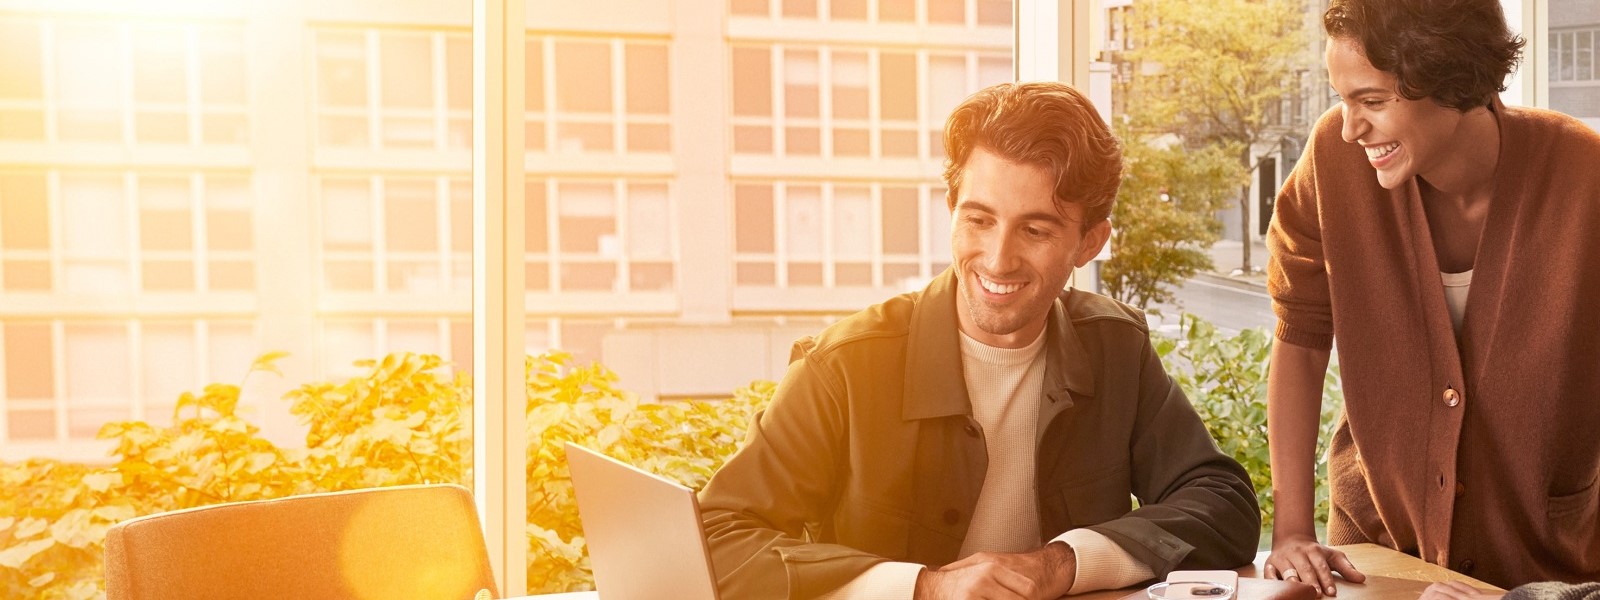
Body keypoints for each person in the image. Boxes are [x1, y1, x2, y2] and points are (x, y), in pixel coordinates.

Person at [698, 81, 1261, 600]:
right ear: (951, 211)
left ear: (1089, 243)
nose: (997, 259)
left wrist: (1062, 563)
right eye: (979, 220)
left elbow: (1221, 503)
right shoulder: (843, 364)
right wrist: (925, 587)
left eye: (1035, 230)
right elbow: (718, 539)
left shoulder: (1117, 347)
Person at [1263, 0, 1600, 593]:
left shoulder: (1584, 175)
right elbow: (1301, 337)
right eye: (1343, 99)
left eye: (1372, 101)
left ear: (1450, 78)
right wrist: (1292, 531)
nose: (1349, 127)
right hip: (1374, 558)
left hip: (1547, 567)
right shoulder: (1333, 163)